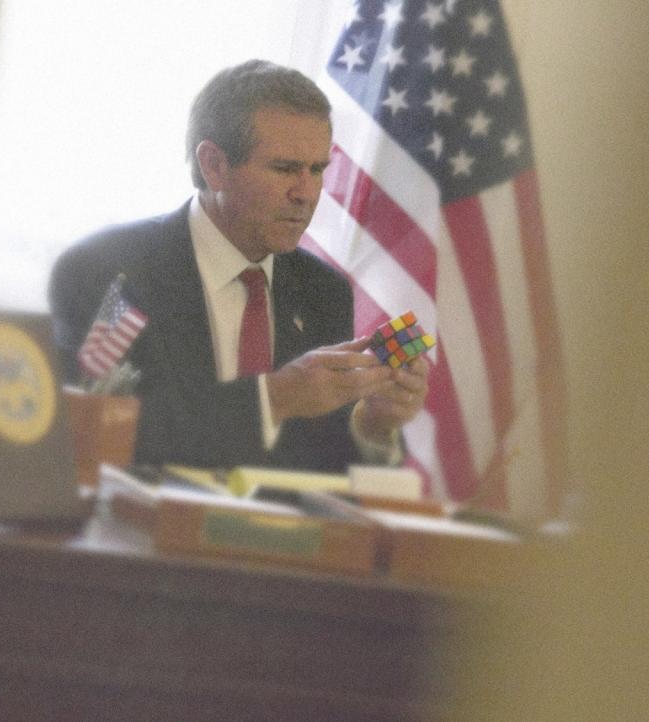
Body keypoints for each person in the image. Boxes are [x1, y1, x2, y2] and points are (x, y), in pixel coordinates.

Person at [49, 59, 428, 472]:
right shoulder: (107, 271)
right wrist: (274, 398)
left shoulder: (323, 291)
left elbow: (323, 472)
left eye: (317, 170)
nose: (306, 193)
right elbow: (82, 432)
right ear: (214, 165)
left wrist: (371, 426)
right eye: (285, 168)